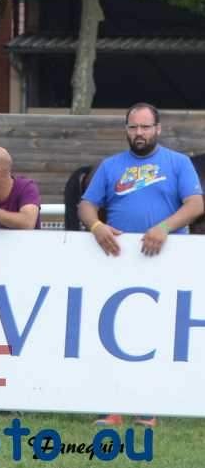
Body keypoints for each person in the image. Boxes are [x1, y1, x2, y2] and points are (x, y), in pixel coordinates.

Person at [78, 102, 204, 429]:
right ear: (126, 130)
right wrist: (96, 227)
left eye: (145, 127)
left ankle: (148, 408)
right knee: (113, 333)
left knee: (157, 333)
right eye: (133, 127)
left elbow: (195, 205)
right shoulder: (109, 166)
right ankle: (113, 408)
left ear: (158, 129)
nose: (139, 133)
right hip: (118, 259)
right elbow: (87, 205)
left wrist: (163, 228)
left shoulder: (178, 164)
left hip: (166, 259)